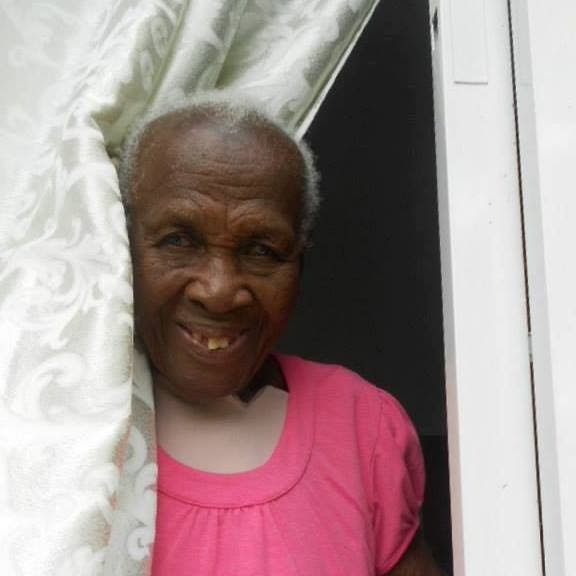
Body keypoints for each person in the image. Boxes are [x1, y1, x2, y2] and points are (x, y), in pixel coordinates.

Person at [119, 94, 443, 575]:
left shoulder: (361, 423)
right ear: (122, 245)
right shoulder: (68, 427)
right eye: (179, 240)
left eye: (261, 250)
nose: (219, 291)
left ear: (300, 265)